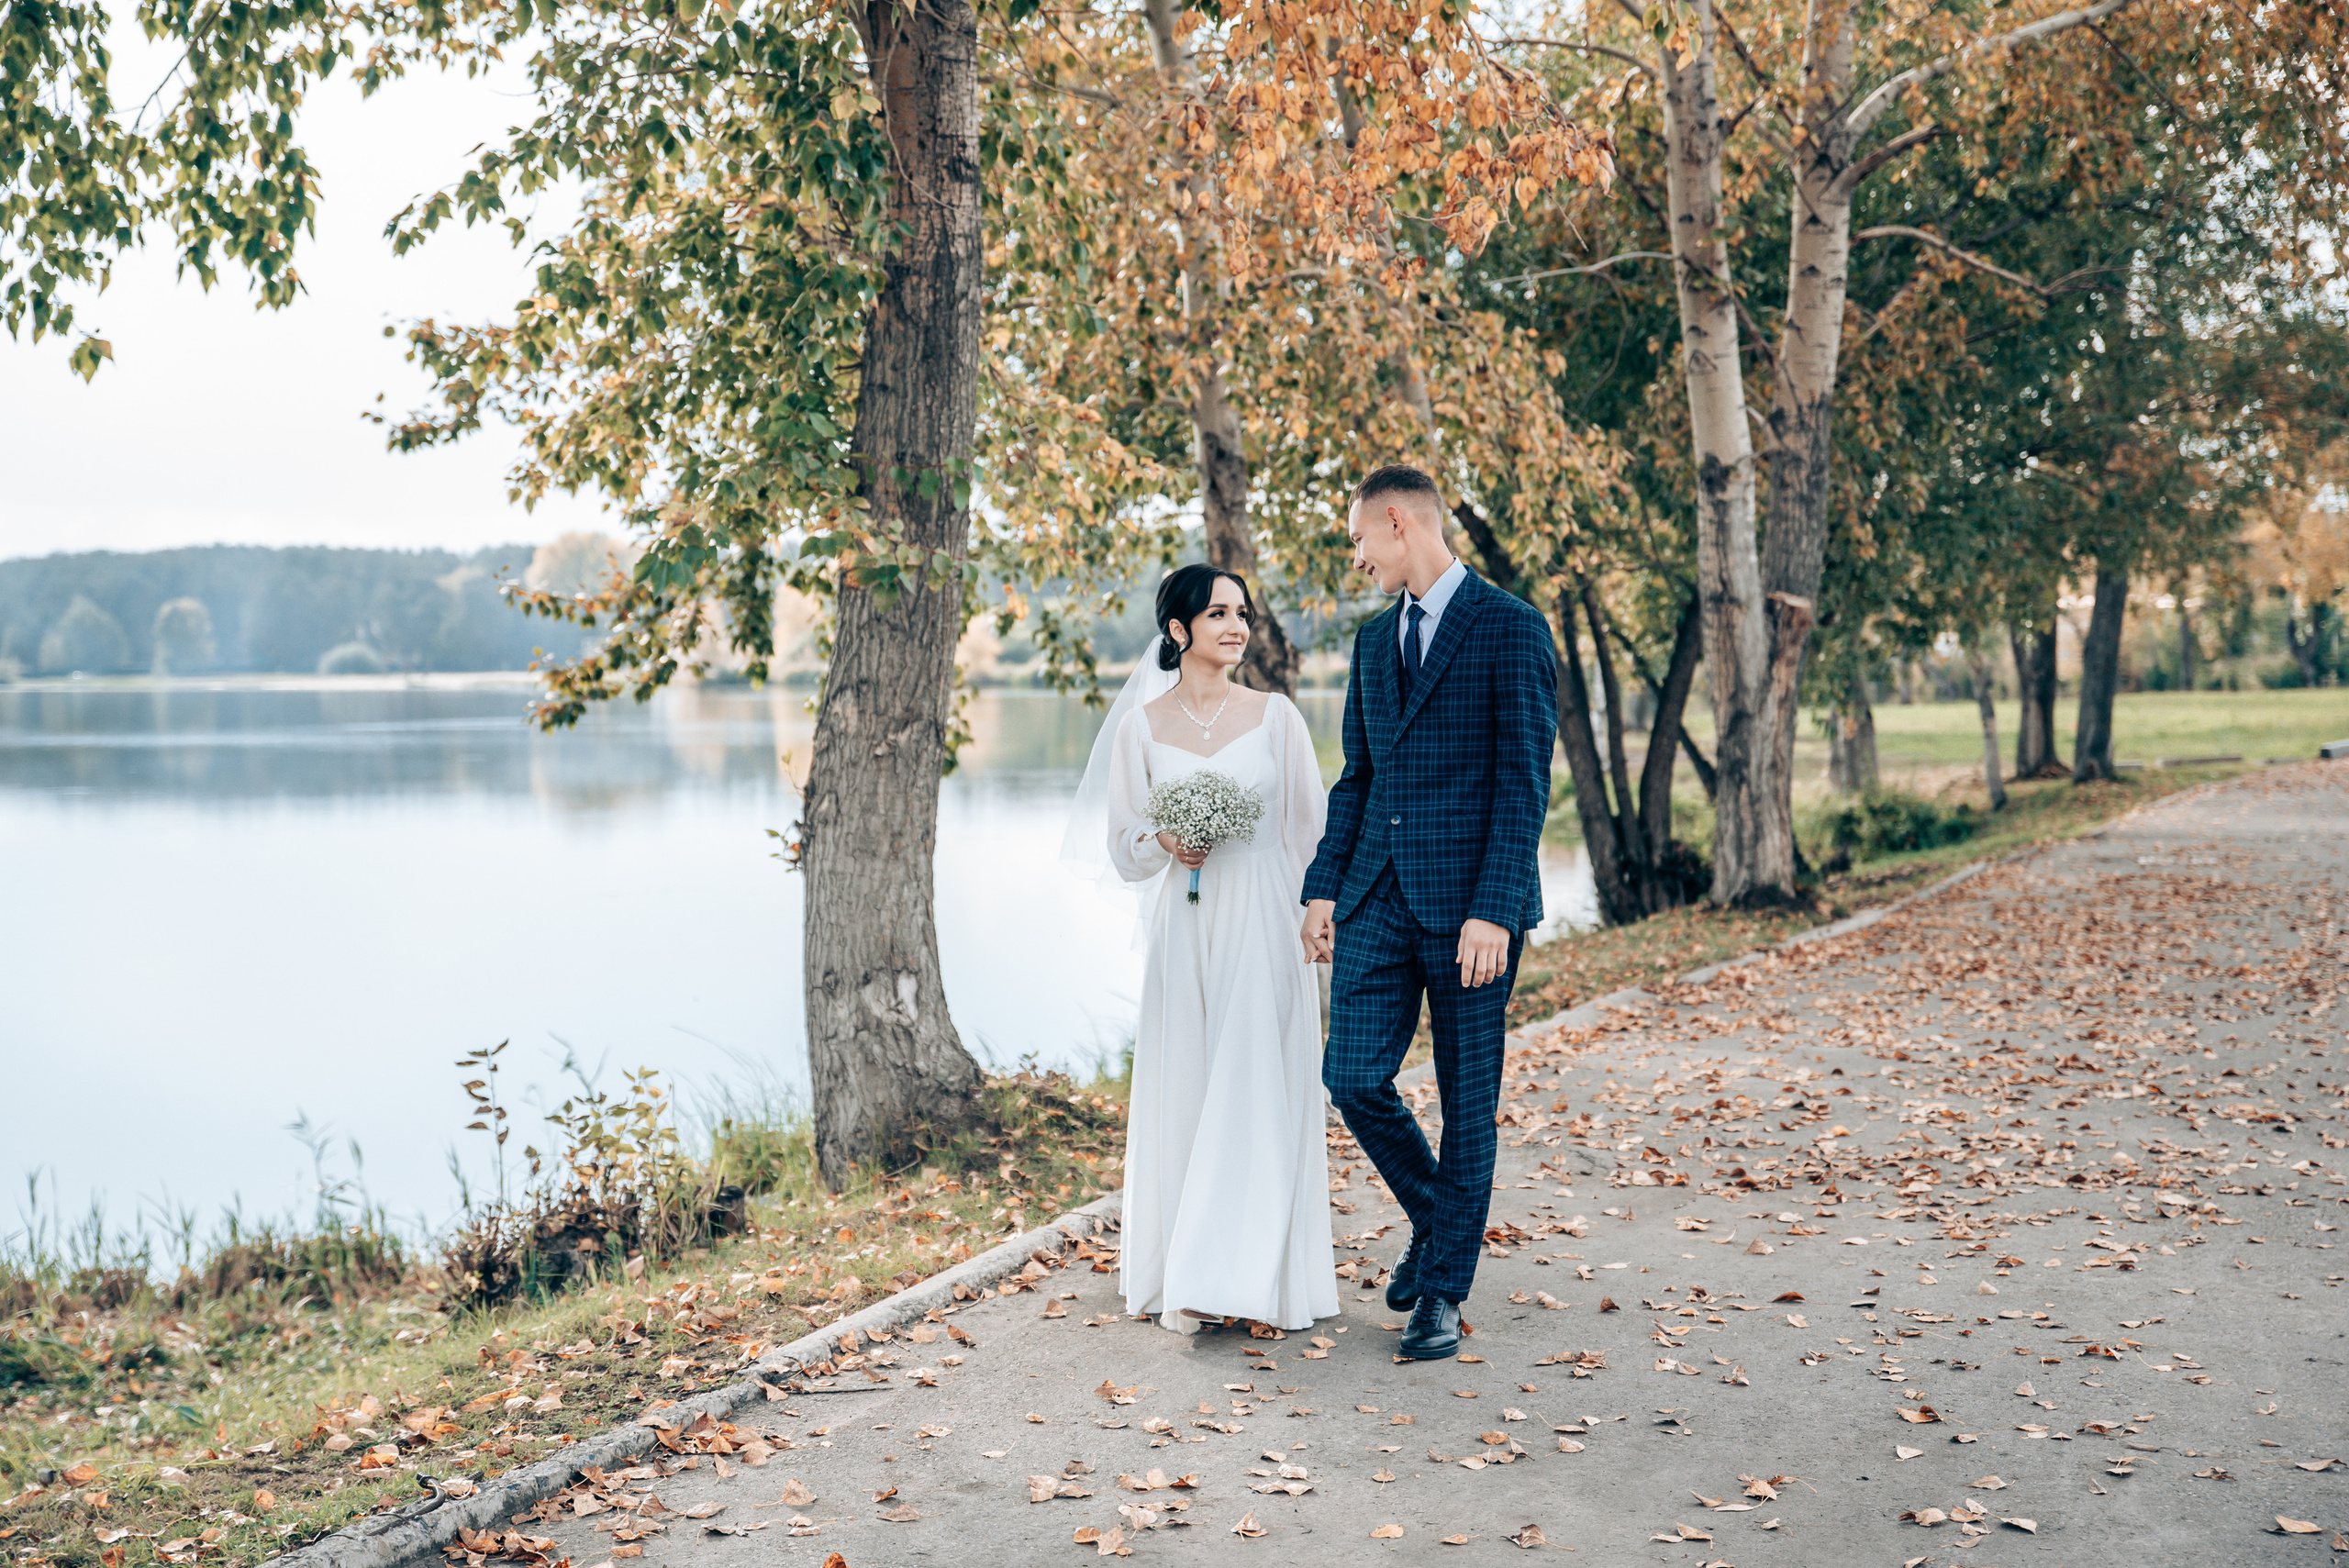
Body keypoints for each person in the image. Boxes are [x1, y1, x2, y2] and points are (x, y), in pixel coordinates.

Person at [1298, 464, 1558, 1359]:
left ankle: (1442, 1289)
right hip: (1376, 894)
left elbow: (1523, 782)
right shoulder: (1374, 642)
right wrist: (1324, 885)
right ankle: (1441, 1220)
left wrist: (1494, 909)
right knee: (1351, 1078)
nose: (1356, 555)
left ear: (1397, 521)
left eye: (1358, 539)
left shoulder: (1512, 626)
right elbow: (1358, 776)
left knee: (1466, 1103)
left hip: (1471, 912)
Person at [1061, 564, 1337, 1332]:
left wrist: (1319, 913)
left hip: (1264, 916)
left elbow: (1311, 831)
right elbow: (1123, 843)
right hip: (1185, 925)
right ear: (1179, 629)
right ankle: (1186, 1270)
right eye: (1218, 613)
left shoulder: (1277, 717)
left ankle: (1257, 1278)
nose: (1237, 625)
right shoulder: (1141, 727)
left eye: (1242, 612)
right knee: (1188, 1080)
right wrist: (1165, 839)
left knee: (1259, 1082)